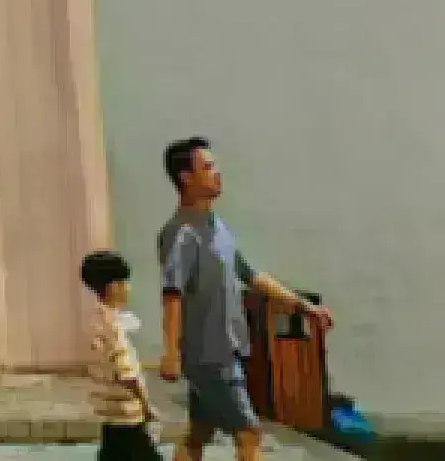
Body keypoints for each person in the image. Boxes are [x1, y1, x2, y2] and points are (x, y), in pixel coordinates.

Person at [159, 137, 334, 461]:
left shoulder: (219, 228)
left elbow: (252, 276)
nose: (218, 174)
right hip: (208, 355)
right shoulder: (181, 233)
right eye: (208, 167)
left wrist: (304, 307)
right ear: (186, 177)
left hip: (229, 347)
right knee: (249, 433)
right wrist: (169, 352)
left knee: (199, 432)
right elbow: (172, 293)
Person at [80, 249, 159, 461]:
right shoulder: (114, 327)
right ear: (113, 287)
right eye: (125, 283)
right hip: (127, 414)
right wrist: (146, 405)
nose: (128, 288)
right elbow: (128, 374)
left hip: (108, 413)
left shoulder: (95, 319)